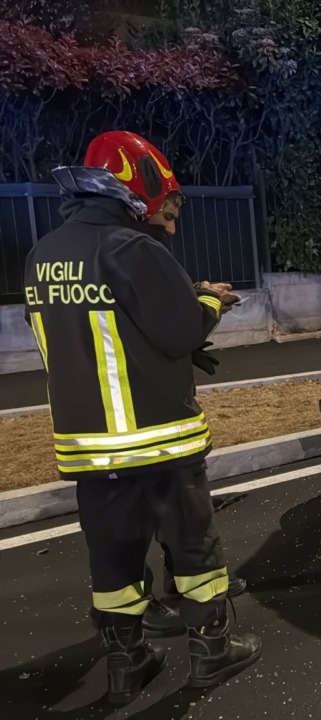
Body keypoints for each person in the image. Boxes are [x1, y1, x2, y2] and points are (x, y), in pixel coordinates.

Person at [22, 130, 262, 704]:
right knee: (192, 545)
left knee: (113, 556)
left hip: (88, 444)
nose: (166, 220)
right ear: (137, 188)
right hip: (158, 437)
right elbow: (178, 332)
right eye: (164, 206)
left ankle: (127, 664)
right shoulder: (132, 249)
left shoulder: (44, 254)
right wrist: (209, 300)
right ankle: (212, 649)